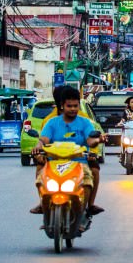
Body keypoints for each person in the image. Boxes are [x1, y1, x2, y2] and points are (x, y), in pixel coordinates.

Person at [30, 85, 104, 216]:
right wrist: (38, 147)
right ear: (62, 105)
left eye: (75, 106)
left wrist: (99, 140)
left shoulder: (85, 122)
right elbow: (43, 140)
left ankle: (84, 211)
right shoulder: (51, 122)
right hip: (54, 161)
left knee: (88, 180)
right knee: (40, 175)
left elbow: (90, 140)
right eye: (70, 106)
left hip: (80, 162)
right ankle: (44, 205)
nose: (73, 109)